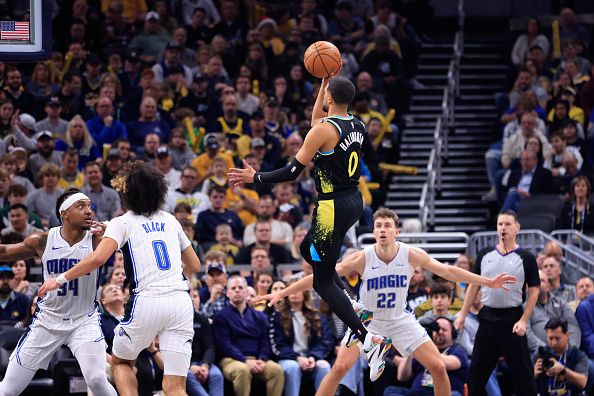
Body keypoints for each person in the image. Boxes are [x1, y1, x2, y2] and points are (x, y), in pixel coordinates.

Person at [229, 75, 395, 379]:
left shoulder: (322, 131)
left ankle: (368, 339)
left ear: (330, 98)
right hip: (353, 201)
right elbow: (318, 118)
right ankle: (353, 306)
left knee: (321, 281)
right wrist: (325, 81)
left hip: (331, 208)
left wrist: (256, 178)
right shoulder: (355, 123)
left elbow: (293, 171)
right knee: (308, 249)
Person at [255, 208, 515, 395]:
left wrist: (486, 281)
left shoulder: (411, 254)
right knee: (339, 369)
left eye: (386, 226)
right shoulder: (362, 257)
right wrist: (283, 292)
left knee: (437, 366)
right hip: (366, 322)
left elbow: (447, 271)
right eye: (378, 226)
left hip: (399, 319)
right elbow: (321, 277)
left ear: (396, 231)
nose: (381, 230)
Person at [39, 161, 201, 396]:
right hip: (181, 302)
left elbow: (96, 259)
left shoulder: (121, 222)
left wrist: (59, 279)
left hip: (147, 301)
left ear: (127, 192)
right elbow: (194, 265)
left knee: (122, 362)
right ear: (159, 190)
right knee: (175, 386)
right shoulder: (170, 219)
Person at [0, 189, 117, 396]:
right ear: (64, 213)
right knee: (8, 389)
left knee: (97, 379)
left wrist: (111, 229)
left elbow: (124, 234)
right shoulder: (43, 241)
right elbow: (5, 252)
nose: (89, 211)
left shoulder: (97, 239)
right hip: (47, 320)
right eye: (81, 207)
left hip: (84, 320)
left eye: (90, 206)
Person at [455, 210, 540, 396]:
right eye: (500, 224)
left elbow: (534, 290)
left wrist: (524, 320)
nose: (503, 228)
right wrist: (462, 314)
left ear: (517, 228)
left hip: (513, 319)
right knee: (477, 372)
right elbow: (473, 286)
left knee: (523, 374)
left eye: (508, 224)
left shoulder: (526, 257)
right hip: (487, 319)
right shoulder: (485, 254)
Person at [211, 275, 285, 396]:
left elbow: (266, 341)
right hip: (231, 360)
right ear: (227, 293)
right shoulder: (220, 317)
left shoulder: (260, 316)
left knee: (276, 370)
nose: (237, 290)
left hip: (257, 359)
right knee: (242, 370)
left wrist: (262, 359)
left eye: (240, 287)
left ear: (246, 292)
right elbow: (224, 345)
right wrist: (245, 360)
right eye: (233, 288)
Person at [270, 280, 333, 396]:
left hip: (311, 359)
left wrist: (313, 357)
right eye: (291, 290)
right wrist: (298, 358)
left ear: (305, 293)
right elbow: (278, 345)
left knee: (324, 366)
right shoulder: (278, 316)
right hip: (290, 359)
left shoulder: (316, 316)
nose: (294, 293)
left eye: (297, 289)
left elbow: (325, 341)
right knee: (293, 367)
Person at [388, 317, 469, 396]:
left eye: (444, 330)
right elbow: (402, 377)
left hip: (446, 393)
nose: (440, 332)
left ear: (453, 334)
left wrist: (423, 351)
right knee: (390, 391)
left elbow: (450, 363)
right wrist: (412, 346)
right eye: (436, 329)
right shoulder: (422, 350)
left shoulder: (458, 350)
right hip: (417, 393)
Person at [526, 270, 581, 354]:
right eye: (532, 281)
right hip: (538, 353)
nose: (536, 284)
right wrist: (546, 350)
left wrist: (571, 349)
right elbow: (526, 332)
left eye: (541, 281)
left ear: (548, 286)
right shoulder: (524, 307)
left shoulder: (561, 304)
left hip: (565, 352)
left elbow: (573, 326)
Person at [534, 317, 588, 396]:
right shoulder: (541, 353)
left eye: (557, 338)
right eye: (550, 338)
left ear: (567, 335)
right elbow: (524, 383)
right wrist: (534, 374)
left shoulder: (577, 354)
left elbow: (582, 382)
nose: (554, 342)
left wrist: (563, 370)